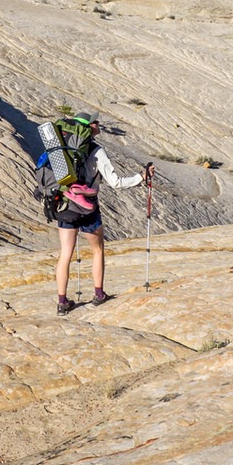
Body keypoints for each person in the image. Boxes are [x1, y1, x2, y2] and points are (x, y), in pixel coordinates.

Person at [50, 113, 152, 314]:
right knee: (97, 250)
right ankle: (99, 294)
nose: (99, 124)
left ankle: (62, 303)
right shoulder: (97, 151)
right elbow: (116, 183)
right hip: (88, 207)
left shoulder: (62, 148)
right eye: (96, 122)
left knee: (65, 254)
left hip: (65, 204)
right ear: (89, 127)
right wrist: (141, 177)